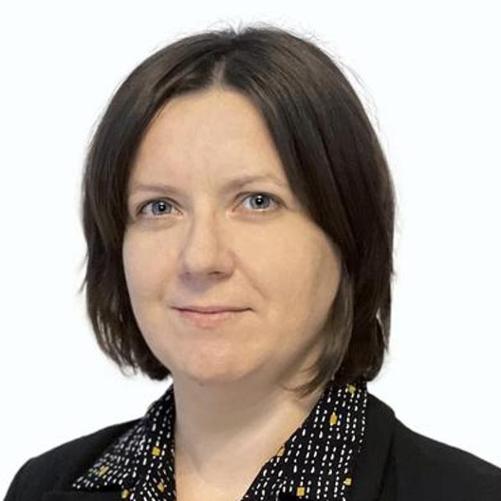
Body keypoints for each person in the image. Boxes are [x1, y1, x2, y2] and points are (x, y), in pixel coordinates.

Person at [5, 23, 501, 501]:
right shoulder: (41, 484)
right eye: (159, 207)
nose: (201, 258)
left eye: (257, 201)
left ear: (348, 230)